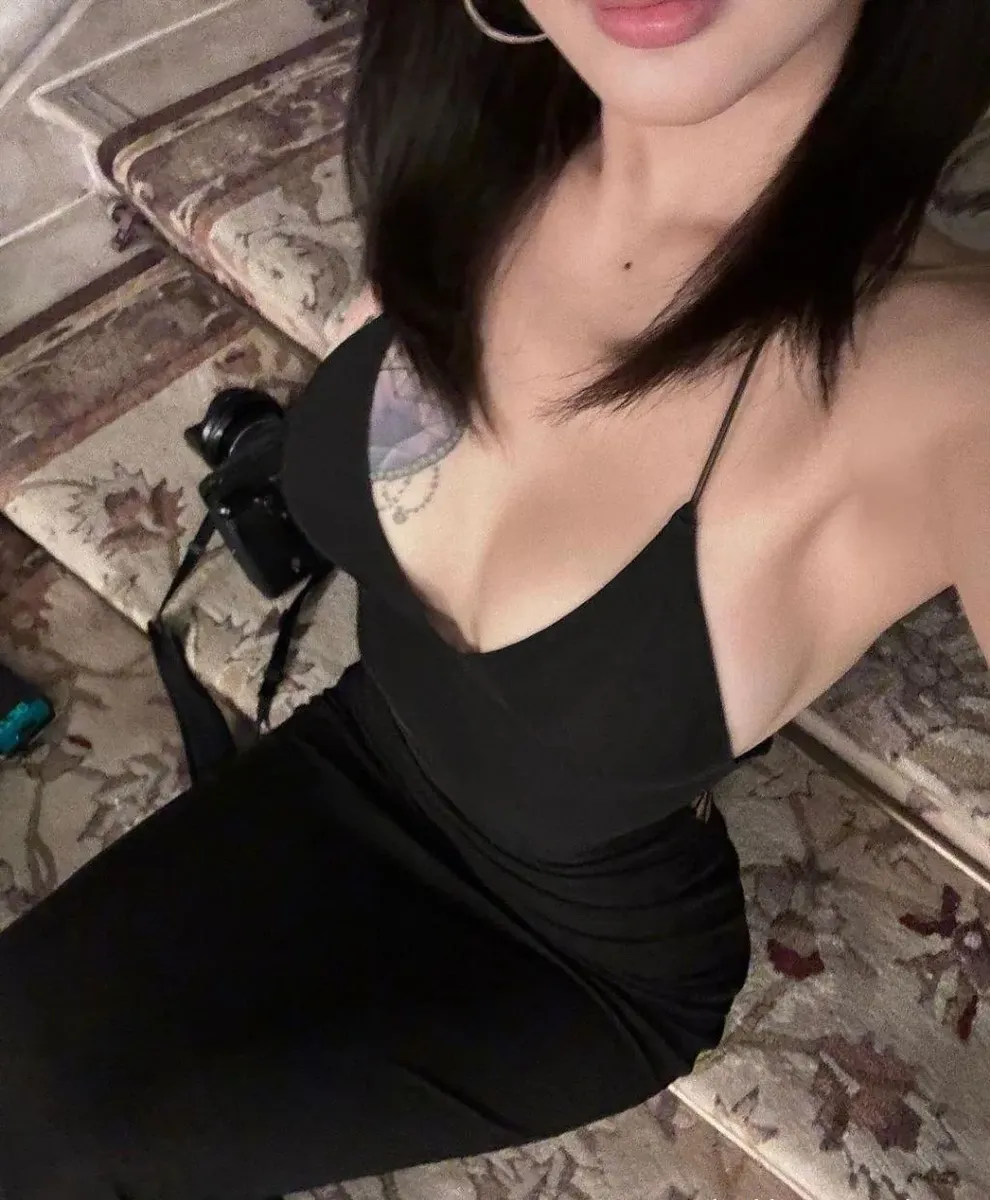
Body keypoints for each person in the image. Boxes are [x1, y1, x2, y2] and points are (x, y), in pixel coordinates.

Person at [2, 1, 989, 1197]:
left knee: (68, 1146)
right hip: (355, 752)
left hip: (569, 953)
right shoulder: (477, 144)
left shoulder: (955, 377)